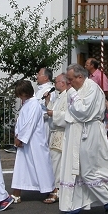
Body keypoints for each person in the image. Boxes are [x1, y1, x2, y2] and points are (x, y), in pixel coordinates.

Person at [56, 64, 108, 214]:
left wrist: (71, 92)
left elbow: (83, 112)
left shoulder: (92, 88)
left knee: (87, 171)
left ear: (80, 77)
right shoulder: (79, 89)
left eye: (71, 79)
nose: (69, 83)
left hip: (90, 132)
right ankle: (73, 208)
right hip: (78, 132)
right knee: (76, 170)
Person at [10, 80, 56, 203]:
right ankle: (16, 193)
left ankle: (52, 189)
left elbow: (30, 123)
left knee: (41, 166)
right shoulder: (27, 104)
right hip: (27, 142)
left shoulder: (34, 105)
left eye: (20, 94)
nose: (19, 97)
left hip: (34, 141)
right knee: (22, 167)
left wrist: (20, 138)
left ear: (25, 93)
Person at [44, 73, 69, 204]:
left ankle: (57, 190)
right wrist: (48, 102)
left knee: (57, 164)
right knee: (54, 163)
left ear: (63, 83)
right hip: (55, 133)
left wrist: (54, 113)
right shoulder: (59, 96)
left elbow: (67, 116)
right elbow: (53, 110)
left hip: (62, 133)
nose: (55, 83)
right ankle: (55, 188)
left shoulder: (68, 96)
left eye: (57, 81)